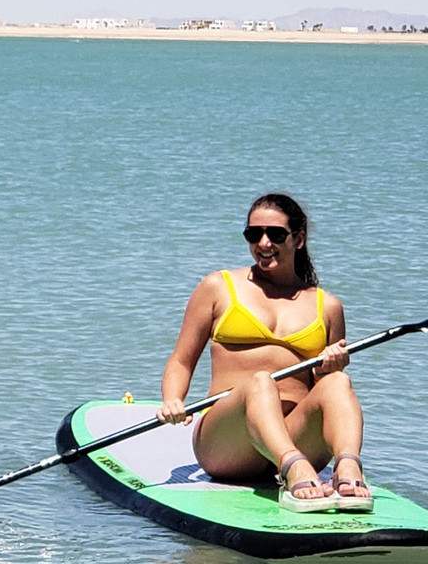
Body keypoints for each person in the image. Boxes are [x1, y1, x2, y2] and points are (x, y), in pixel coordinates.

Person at [157, 193, 373, 513]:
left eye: (276, 234)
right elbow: (181, 360)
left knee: (339, 383)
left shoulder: (329, 307)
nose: (263, 243)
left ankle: (349, 467)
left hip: (296, 435)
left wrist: (328, 369)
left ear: (299, 239)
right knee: (261, 382)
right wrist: (172, 399)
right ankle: (293, 466)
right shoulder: (218, 287)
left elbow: (322, 390)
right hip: (228, 444)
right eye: (253, 234)